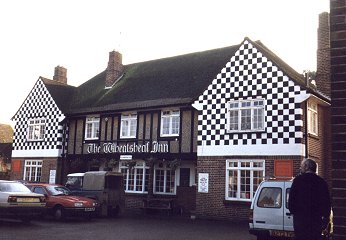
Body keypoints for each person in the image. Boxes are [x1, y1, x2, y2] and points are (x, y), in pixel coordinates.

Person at [288, 158, 331, 240]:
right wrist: (325, 219)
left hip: (300, 221)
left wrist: (294, 212)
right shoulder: (321, 182)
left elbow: (291, 202)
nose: (301, 168)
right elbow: (327, 203)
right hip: (316, 221)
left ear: (306, 167)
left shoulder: (297, 181)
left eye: (302, 166)